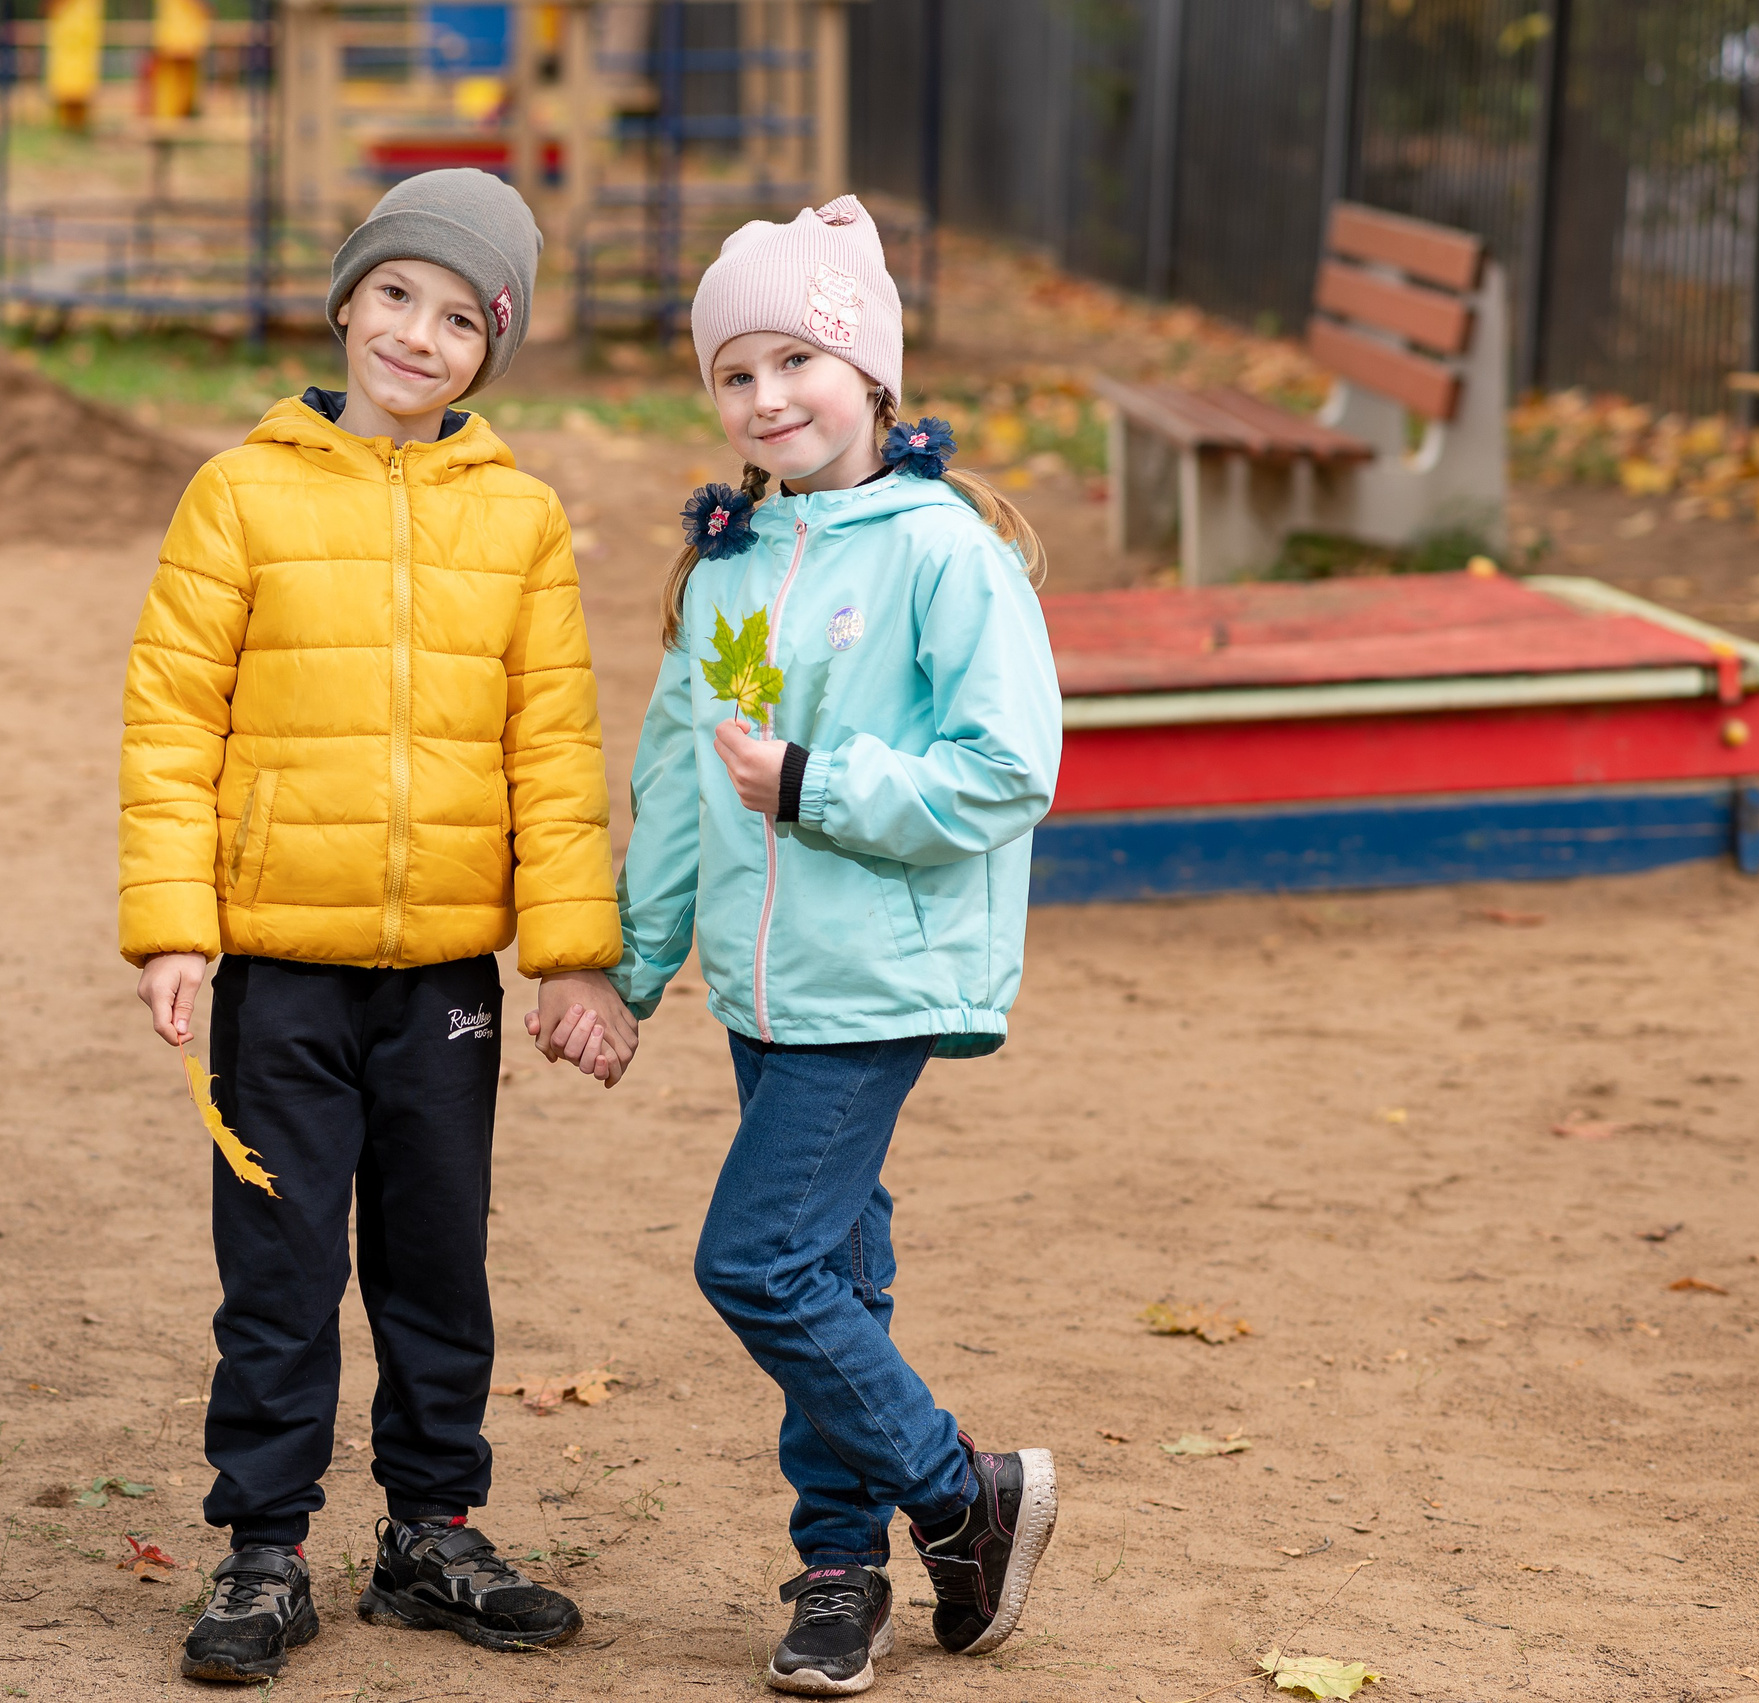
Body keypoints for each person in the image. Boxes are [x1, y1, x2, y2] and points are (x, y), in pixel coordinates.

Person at [119, 168, 639, 1685]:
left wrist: (569, 954)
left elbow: (553, 745)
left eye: (461, 317)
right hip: (278, 967)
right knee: (278, 1267)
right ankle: (265, 1551)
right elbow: (170, 722)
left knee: (436, 1260)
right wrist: (175, 929)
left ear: (494, 348)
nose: (420, 334)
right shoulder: (240, 492)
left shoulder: (523, 520)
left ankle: (433, 1534)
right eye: (398, 294)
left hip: (444, 988)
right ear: (346, 299)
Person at [546, 195, 1062, 1696]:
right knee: (835, 1267)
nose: (768, 397)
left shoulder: (943, 555)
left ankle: (962, 1499)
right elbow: (677, 783)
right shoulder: (728, 566)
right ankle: (840, 1573)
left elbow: (1005, 769)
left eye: (798, 361)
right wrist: (628, 973)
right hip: (766, 983)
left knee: (756, 1261)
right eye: (736, 372)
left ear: (875, 378)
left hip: (880, 977)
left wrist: (822, 788)